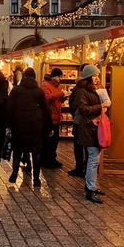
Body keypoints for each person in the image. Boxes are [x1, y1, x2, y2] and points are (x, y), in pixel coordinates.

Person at [69, 64, 105, 203]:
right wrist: (100, 107)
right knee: (93, 159)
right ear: (89, 77)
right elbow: (83, 109)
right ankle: (90, 189)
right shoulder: (82, 91)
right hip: (88, 128)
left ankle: (91, 186)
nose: (97, 78)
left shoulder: (91, 90)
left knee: (93, 158)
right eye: (95, 76)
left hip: (92, 127)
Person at [6, 66, 47, 186]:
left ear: (23, 77)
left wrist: (8, 124)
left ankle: (14, 172)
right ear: (34, 77)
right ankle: (36, 178)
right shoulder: (39, 91)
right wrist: (48, 126)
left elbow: (9, 108)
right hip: (35, 125)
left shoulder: (16, 90)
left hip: (18, 124)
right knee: (36, 152)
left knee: (18, 150)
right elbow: (46, 110)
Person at [41, 68, 66, 168]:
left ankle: (52, 158)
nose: (60, 79)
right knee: (49, 141)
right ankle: (46, 161)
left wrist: (63, 98)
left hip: (57, 117)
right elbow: (46, 98)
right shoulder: (45, 85)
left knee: (55, 140)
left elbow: (57, 100)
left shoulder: (58, 86)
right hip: (49, 118)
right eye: (59, 76)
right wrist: (61, 94)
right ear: (54, 76)